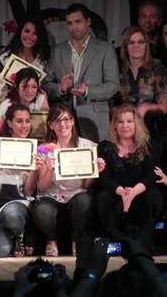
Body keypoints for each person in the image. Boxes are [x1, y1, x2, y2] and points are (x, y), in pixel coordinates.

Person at [34, 104, 105, 279]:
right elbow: (43, 188)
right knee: (42, 210)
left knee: (85, 201)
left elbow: (87, 186)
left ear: (72, 122)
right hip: (52, 195)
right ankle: (51, 239)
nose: (62, 124)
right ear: (51, 125)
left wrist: (96, 171)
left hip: (76, 193)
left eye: (66, 119)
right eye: (57, 121)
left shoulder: (87, 146)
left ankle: (78, 240)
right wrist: (49, 169)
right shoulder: (44, 149)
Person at [42, 3, 119, 142]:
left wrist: (88, 91)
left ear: (88, 22)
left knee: (96, 160)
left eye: (78, 22)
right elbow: (46, 84)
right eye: (69, 23)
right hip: (64, 122)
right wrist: (61, 89)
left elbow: (113, 85)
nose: (73, 27)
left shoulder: (105, 49)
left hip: (94, 119)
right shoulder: (57, 50)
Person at [96, 104, 163, 253]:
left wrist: (132, 193)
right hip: (116, 194)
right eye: (120, 122)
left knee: (153, 195)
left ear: (137, 123)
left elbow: (151, 175)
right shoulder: (104, 147)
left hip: (140, 195)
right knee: (103, 197)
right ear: (115, 125)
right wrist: (122, 192)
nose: (124, 125)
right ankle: (115, 241)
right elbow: (103, 178)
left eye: (129, 121)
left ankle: (145, 244)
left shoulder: (148, 146)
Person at [0, 104, 44, 257]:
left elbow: (28, 191)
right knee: (1, 250)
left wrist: (34, 169)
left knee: (11, 215)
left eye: (28, 121)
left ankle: (18, 235)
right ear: (9, 123)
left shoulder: (33, 149)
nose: (24, 126)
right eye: (19, 121)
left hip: (17, 206)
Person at [112, 26, 167, 116]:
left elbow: (164, 106)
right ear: (125, 46)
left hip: (150, 125)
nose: (136, 46)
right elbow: (110, 105)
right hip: (124, 124)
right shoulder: (117, 70)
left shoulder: (157, 69)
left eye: (141, 42)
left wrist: (146, 108)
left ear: (146, 45)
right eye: (131, 43)